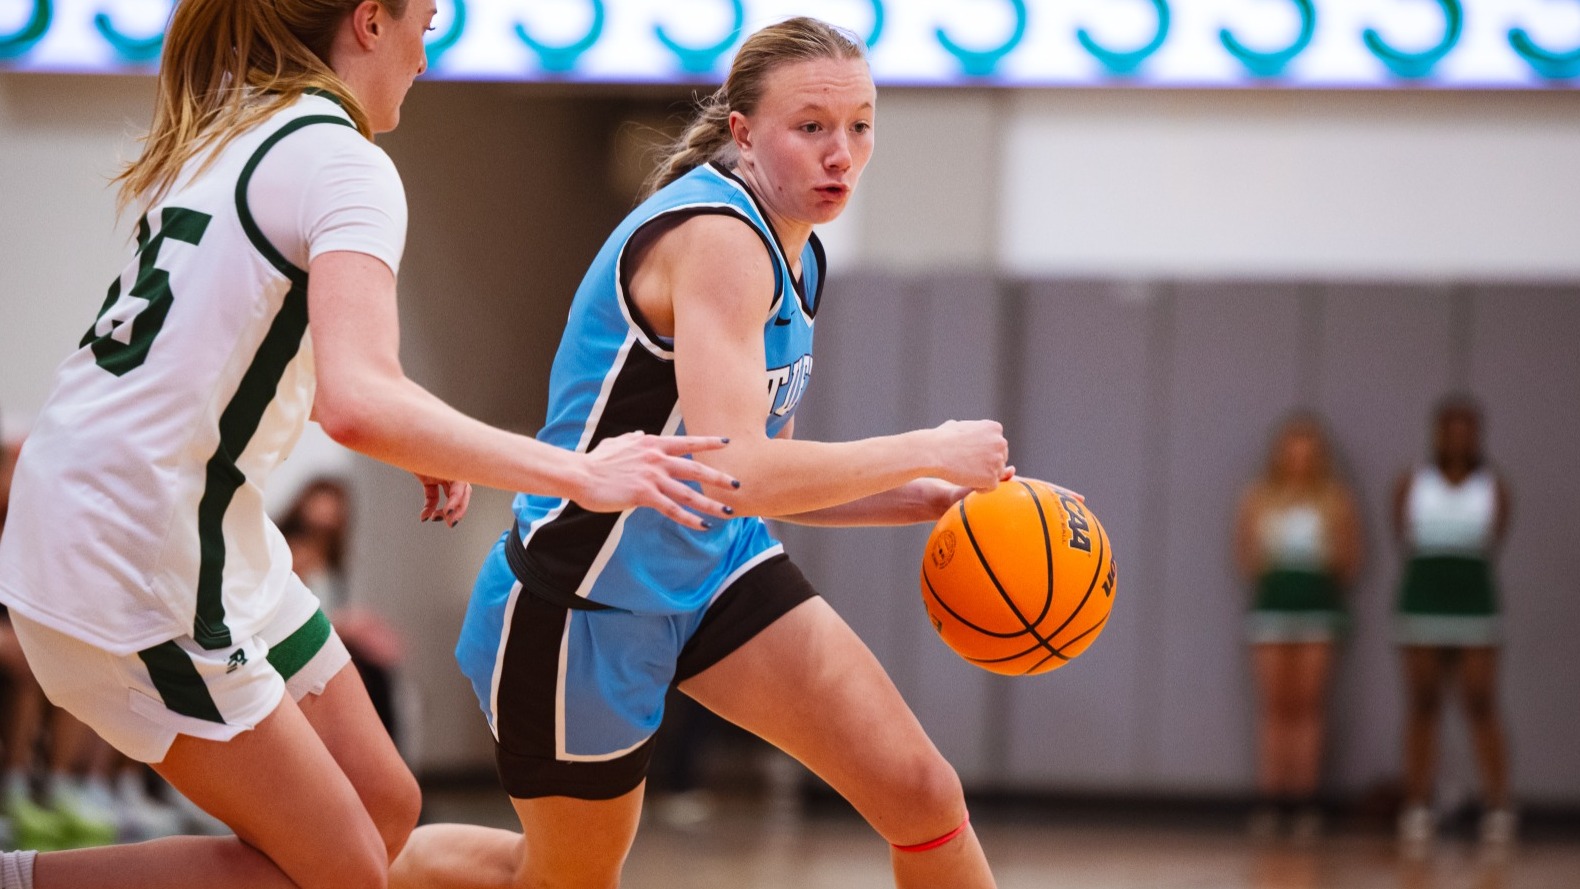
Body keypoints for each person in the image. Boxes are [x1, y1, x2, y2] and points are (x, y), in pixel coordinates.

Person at [0, 0, 740, 885]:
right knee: (344, 869)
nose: (428, 54)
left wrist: (419, 430)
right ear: (369, 23)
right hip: (132, 543)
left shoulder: (243, 130)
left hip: (166, 513)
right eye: (426, 22)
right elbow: (357, 405)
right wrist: (579, 471)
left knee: (383, 807)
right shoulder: (343, 160)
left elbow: (289, 361)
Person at [392, 17, 1010, 889]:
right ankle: (378, 866)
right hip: (585, 598)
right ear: (744, 132)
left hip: (716, 568)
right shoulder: (720, 239)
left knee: (922, 793)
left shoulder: (798, 250)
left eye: (860, 125)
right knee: (561, 878)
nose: (841, 153)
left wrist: (914, 492)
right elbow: (738, 470)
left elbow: (752, 482)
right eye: (812, 126)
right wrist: (929, 444)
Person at [1392, 396, 1514, 846]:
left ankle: (1498, 804)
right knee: (1423, 701)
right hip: (1424, 597)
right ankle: (1417, 802)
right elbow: (1402, 533)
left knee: (1480, 699)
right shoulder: (1413, 481)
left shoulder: (1493, 486)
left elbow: (1495, 537)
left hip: (1473, 599)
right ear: (1437, 433)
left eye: (1467, 430)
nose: (1459, 438)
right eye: (1451, 429)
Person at [1233, 414, 1361, 840]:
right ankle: (1272, 800)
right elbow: (1245, 557)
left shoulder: (1335, 499)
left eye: (1308, 453)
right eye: (1292, 451)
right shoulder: (1258, 497)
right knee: (1274, 708)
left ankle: (1305, 801)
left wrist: (1319, 561)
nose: (1299, 461)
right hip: (1272, 607)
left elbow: (1350, 559)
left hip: (1318, 608)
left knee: (1309, 707)